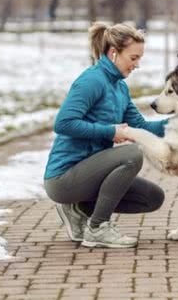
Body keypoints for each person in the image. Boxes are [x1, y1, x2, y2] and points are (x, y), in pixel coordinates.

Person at [44, 22, 167, 249]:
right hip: (63, 178)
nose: (137, 65)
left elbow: (140, 127)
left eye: (139, 58)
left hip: (89, 173)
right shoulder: (92, 80)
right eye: (133, 58)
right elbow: (63, 123)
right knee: (131, 155)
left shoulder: (120, 88)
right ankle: (97, 228)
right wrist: (110, 131)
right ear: (113, 53)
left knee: (153, 197)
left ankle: (78, 209)